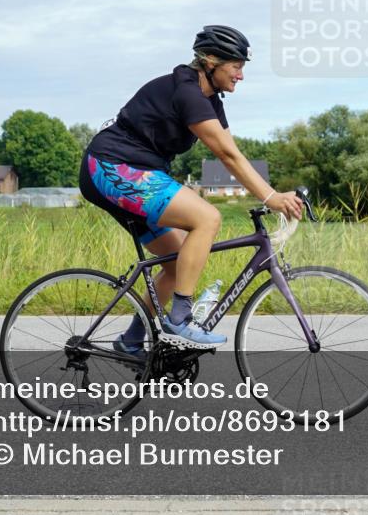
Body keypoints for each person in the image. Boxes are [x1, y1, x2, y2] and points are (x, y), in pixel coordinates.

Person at [78, 25, 304, 356]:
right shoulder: (187, 92)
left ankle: (130, 340)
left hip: (135, 170)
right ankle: (180, 320)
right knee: (207, 218)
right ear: (211, 61)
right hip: (111, 166)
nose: (241, 75)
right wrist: (272, 197)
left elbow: (231, 151)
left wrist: (272, 193)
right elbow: (227, 157)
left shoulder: (210, 100)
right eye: (236, 66)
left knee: (177, 261)